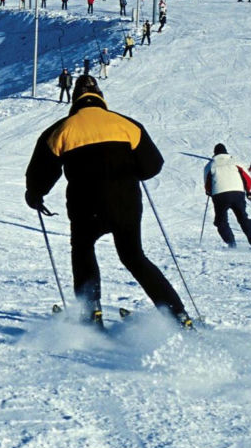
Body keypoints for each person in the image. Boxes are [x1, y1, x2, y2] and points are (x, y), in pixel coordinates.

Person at [25, 74, 193, 328]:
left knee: (83, 250)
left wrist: (35, 195)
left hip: (85, 204)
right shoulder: (126, 124)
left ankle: (90, 312)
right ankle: (176, 313)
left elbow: (41, 172)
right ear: (101, 97)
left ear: (75, 99)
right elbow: (152, 165)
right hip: (126, 202)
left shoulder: (61, 129)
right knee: (133, 255)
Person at [203, 143, 251, 250]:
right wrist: (248, 191)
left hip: (219, 194)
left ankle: (231, 244)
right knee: (243, 218)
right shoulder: (235, 162)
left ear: (215, 153)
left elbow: (207, 183)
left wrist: (209, 191)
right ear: (226, 152)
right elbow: (247, 178)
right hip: (237, 193)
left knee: (220, 221)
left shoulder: (210, 165)